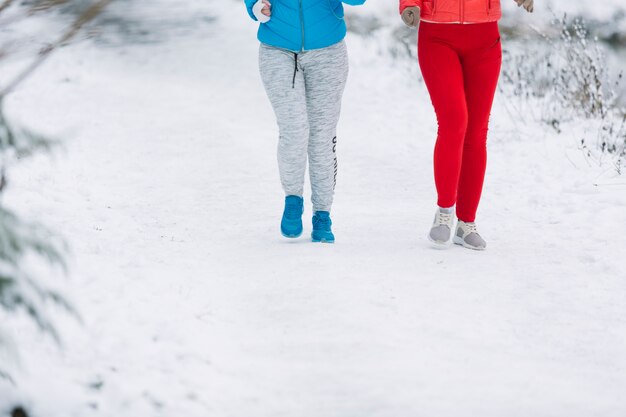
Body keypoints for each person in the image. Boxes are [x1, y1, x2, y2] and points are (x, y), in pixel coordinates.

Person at [400, 0, 534, 250]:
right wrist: (409, 3)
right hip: (437, 35)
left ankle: (466, 223)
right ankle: (444, 212)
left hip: (484, 38)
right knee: (454, 120)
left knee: (477, 130)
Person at [244, 0, 366, 243]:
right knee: (294, 128)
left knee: (322, 134)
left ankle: (322, 213)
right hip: (277, 48)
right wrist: (255, 6)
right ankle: (293, 199)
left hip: (328, 51)